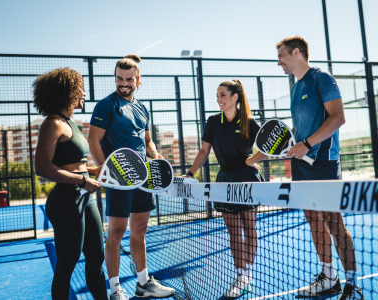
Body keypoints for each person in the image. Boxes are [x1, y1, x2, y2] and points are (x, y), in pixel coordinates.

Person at [276, 35, 364, 300]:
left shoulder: (321, 78)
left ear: (296, 53)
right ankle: (329, 278)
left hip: (324, 163)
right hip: (301, 165)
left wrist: (307, 143)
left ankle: (353, 283)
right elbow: (301, 128)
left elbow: (339, 117)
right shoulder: (294, 88)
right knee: (314, 221)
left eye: (281, 56)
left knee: (333, 222)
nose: (278, 62)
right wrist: (291, 144)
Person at [88, 54, 175, 300]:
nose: (123, 83)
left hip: (143, 179)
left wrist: (155, 154)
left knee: (140, 230)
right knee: (116, 233)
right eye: (119, 78)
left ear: (138, 80)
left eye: (128, 79)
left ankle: (143, 283)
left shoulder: (142, 107)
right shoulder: (106, 105)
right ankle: (115, 289)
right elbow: (93, 140)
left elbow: (147, 141)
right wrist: (108, 171)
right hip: (119, 180)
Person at [183, 79, 266, 298]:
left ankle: (246, 275)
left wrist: (250, 161)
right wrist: (190, 173)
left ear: (235, 97)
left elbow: (268, 148)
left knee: (249, 228)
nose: (218, 99)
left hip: (247, 179)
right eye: (217, 95)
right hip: (224, 179)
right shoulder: (212, 122)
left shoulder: (249, 121)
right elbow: (203, 152)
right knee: (233, 231)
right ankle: (240, 275)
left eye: (222, 95)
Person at [34, 67, 108, 300]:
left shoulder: (71, 123)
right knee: (68, 262)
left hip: (85, 199)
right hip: (66, 200)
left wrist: (93, 170)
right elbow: (42, 167)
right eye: (80, 89)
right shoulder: (52, 123)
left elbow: (74, 162)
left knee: (97, 258)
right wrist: (82, 180)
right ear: (66, 92)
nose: (84, 93)